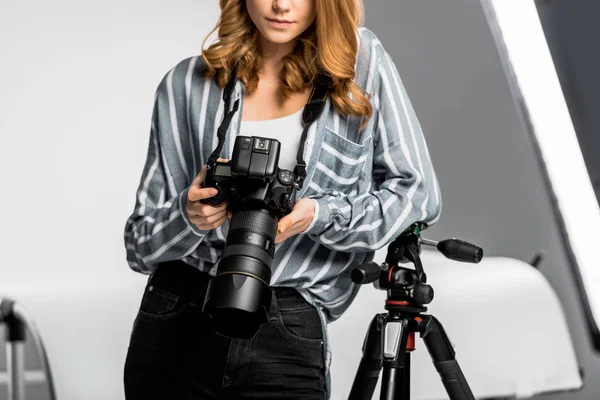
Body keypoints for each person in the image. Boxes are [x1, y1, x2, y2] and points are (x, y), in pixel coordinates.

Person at [122, 0, 442, 399]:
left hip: (287, 323)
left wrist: (318, 214)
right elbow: (138, 246)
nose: (280, 4)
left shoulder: (360, 65)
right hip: (176, 316)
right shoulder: (185, 84)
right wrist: (188, 216)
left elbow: (417, 194)